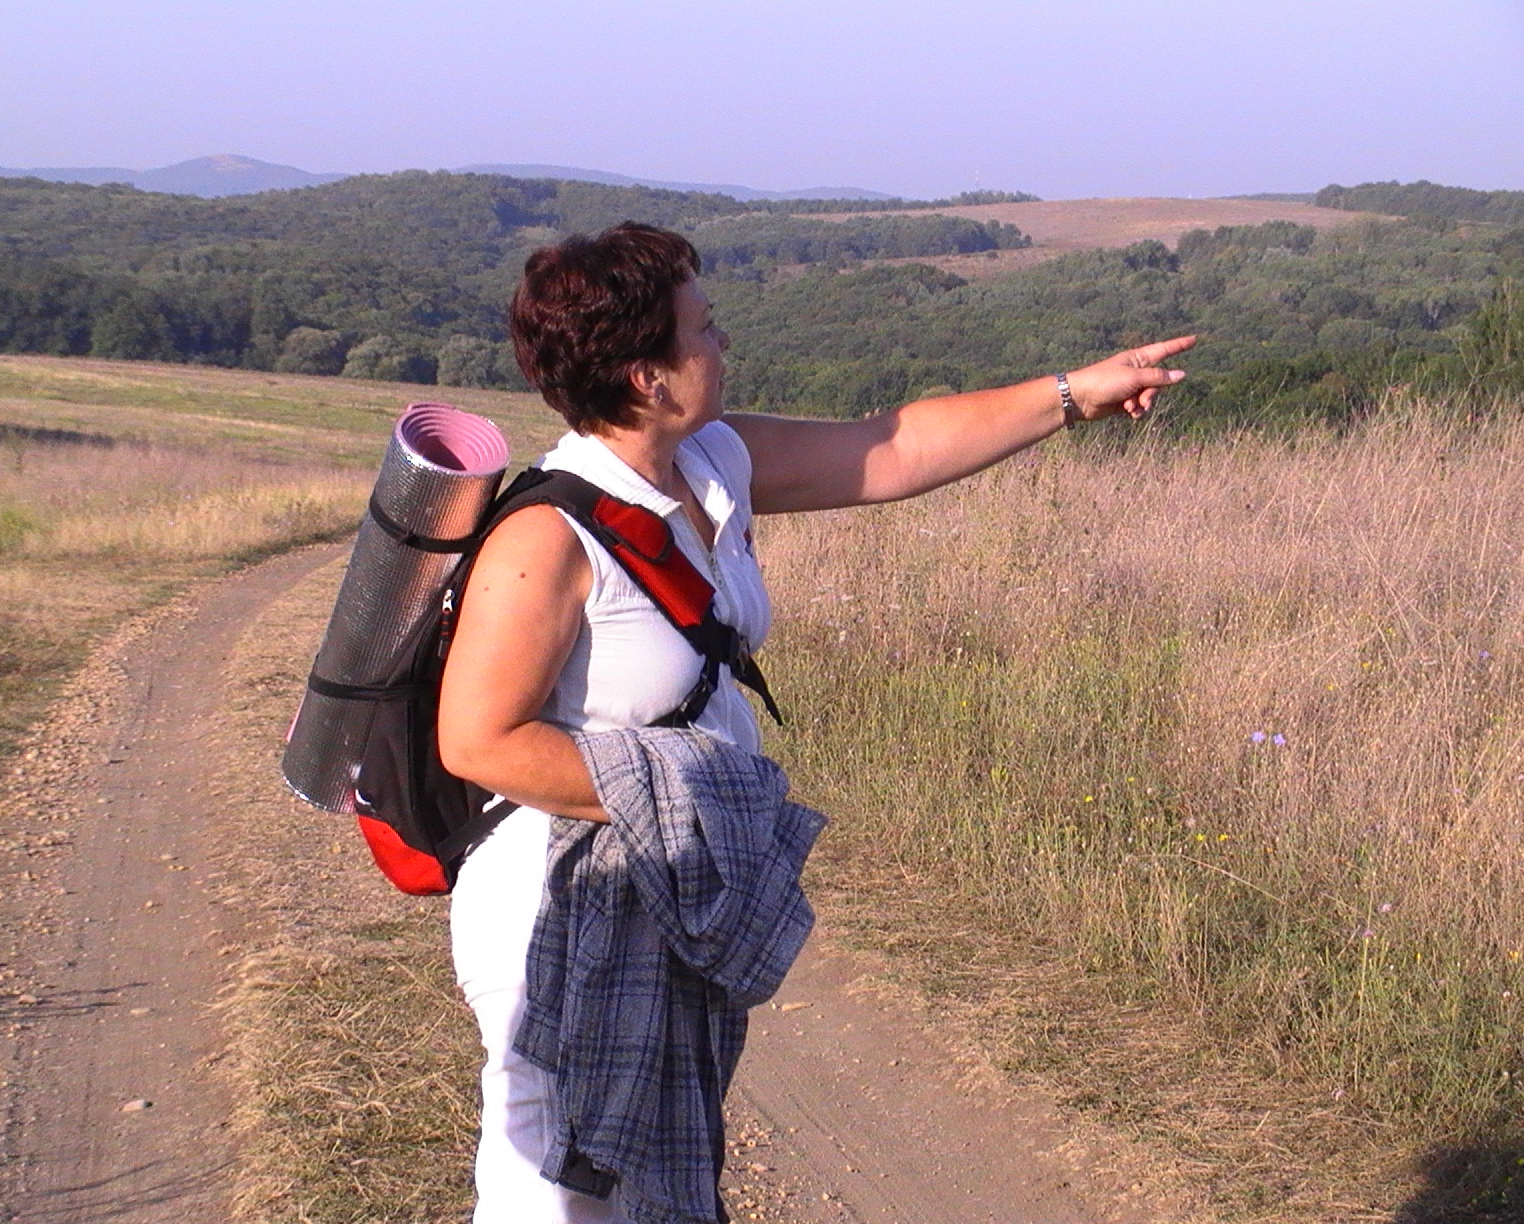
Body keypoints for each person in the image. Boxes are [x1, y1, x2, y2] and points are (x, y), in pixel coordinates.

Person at [436, 220, 1194, 1223]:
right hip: (559, 901)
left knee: (650, 1170)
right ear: (647, 376)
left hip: (669, 879)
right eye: (703, 328)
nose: (722, 342)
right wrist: (700, 796)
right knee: (553, 1186)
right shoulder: (548, 536)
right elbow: (479, 741)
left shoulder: (713, 462)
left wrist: (1071, 395)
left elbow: (895, 447)